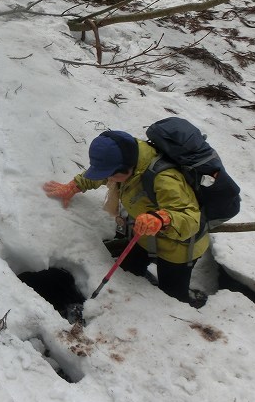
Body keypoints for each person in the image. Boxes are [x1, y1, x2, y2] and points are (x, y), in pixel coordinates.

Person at [43, 130, 209, 306]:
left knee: (172, 296)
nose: (108, 179)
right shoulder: (126, 160)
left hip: (179, 248)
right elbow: (101, 173)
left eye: (111, 175)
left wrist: (162, 219)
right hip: (145, 235)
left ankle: (192, 301)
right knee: (126, 274)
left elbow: (191, 220)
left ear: (128, 167)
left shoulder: (165, 179)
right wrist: (75, 186)